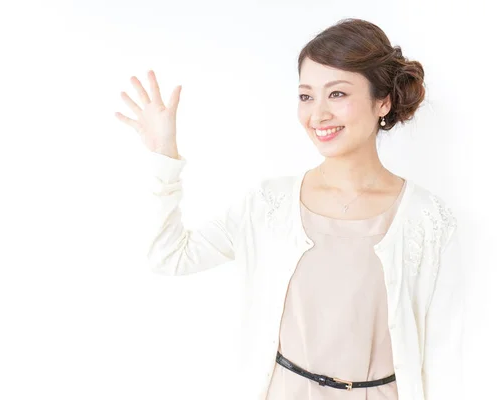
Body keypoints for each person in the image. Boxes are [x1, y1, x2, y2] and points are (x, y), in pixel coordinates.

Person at [114, 18, 464, 400]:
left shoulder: (429, 220)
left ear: (383, 101)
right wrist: (165, 157)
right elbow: (170, 256)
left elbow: (444, 354)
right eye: (305, 96)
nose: (317, 115)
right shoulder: (269, 204)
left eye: (337, 94)